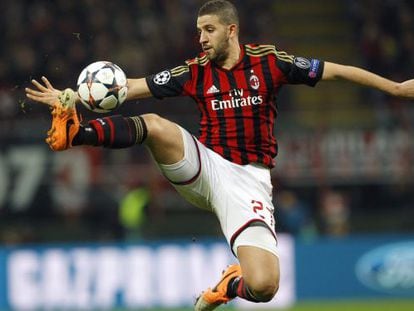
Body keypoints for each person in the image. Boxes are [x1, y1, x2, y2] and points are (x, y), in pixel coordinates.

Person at [25, 0, 414, 310]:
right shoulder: (194, 71)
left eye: (209, 30)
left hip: (249, 184)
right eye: (199, 32)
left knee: (265, 286)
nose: (202, 39)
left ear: (232, 30)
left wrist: (395, 89)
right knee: (156, 125)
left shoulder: (270, 62)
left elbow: (337, 71)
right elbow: (130, 87)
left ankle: (230, 283)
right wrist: (70, 96)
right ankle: (79, 133)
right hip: (205, 165)